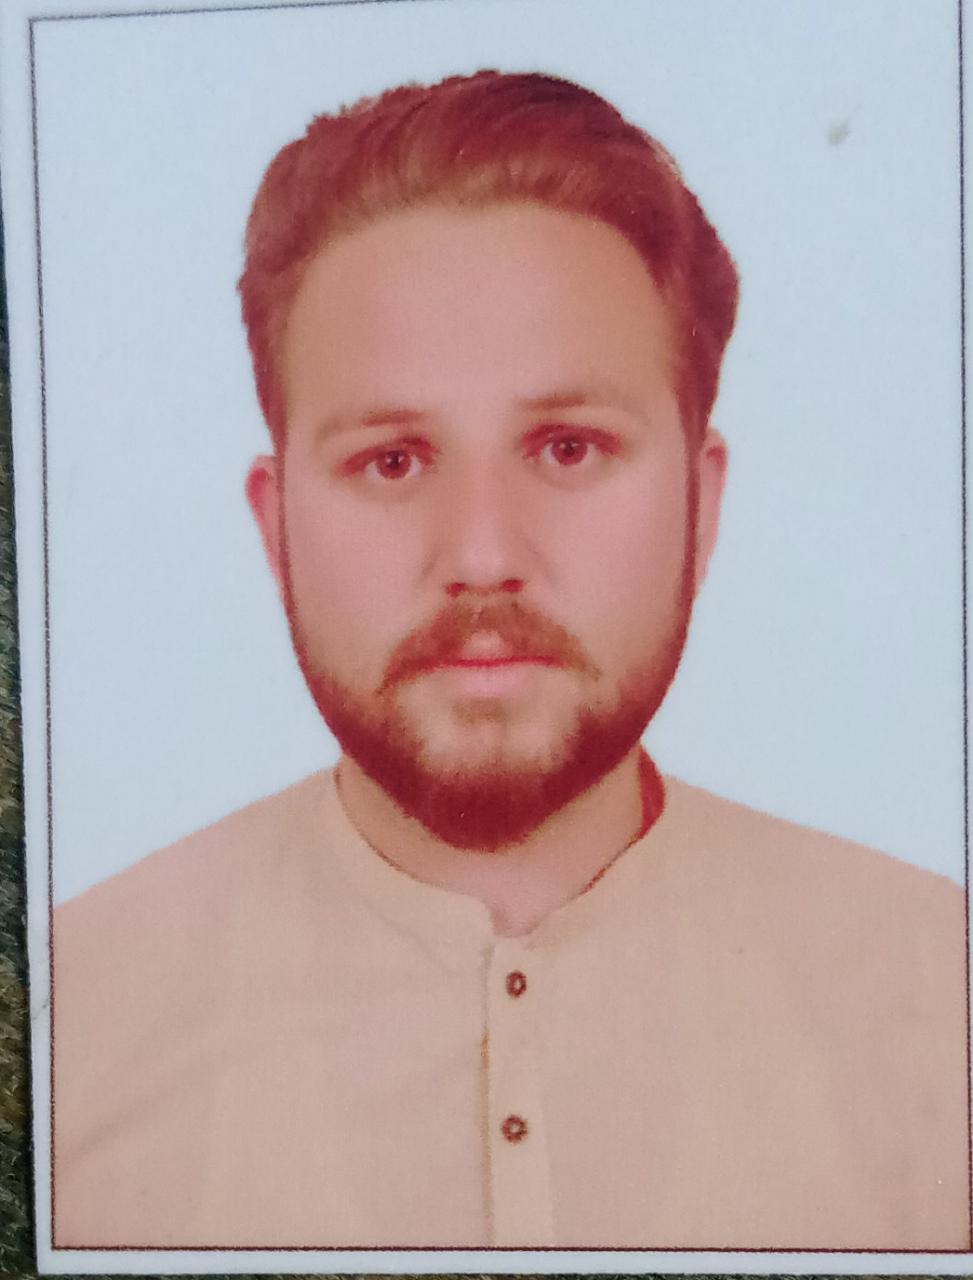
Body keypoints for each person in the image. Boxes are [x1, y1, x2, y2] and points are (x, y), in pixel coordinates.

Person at [53, 69, 969, 1251]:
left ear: (701, 503)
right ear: (276, 529)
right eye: (392, 460)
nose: (482, 556)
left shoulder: (940, 998)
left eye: (568, 447)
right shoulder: (65, 1025)